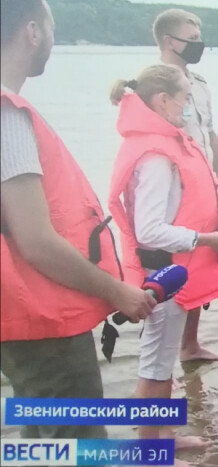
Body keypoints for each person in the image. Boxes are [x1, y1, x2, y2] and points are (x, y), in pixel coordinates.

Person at [0, 0, 155, 440]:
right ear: (33, 32)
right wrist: (118, 291)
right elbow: (35, 240)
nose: (52, 39)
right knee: (78, 441)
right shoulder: (8, 115)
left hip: (18, 315)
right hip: (41, 317)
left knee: (43, 437)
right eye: (52, 28)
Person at [107, 64, 218, 457]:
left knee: (162, 360)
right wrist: (205, 239)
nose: (188, 106)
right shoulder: (155, 156)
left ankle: (163, 436)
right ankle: (150, 451)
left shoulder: (159, 143)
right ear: (163, 101)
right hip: (161, 274)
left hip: (172, 271)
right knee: (156, 364)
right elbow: (148, 230)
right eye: (184, 98)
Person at [153, 8, 218, 362]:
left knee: (203, 262)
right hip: (172, 191)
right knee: (171, 264)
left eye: (199, 37)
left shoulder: (199, 85)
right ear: (169, 41)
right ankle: (160, 354)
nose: (198, 44)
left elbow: (210, 135)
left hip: (205, 185)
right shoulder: (153, 85)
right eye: (191, 38)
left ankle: (189, 345)